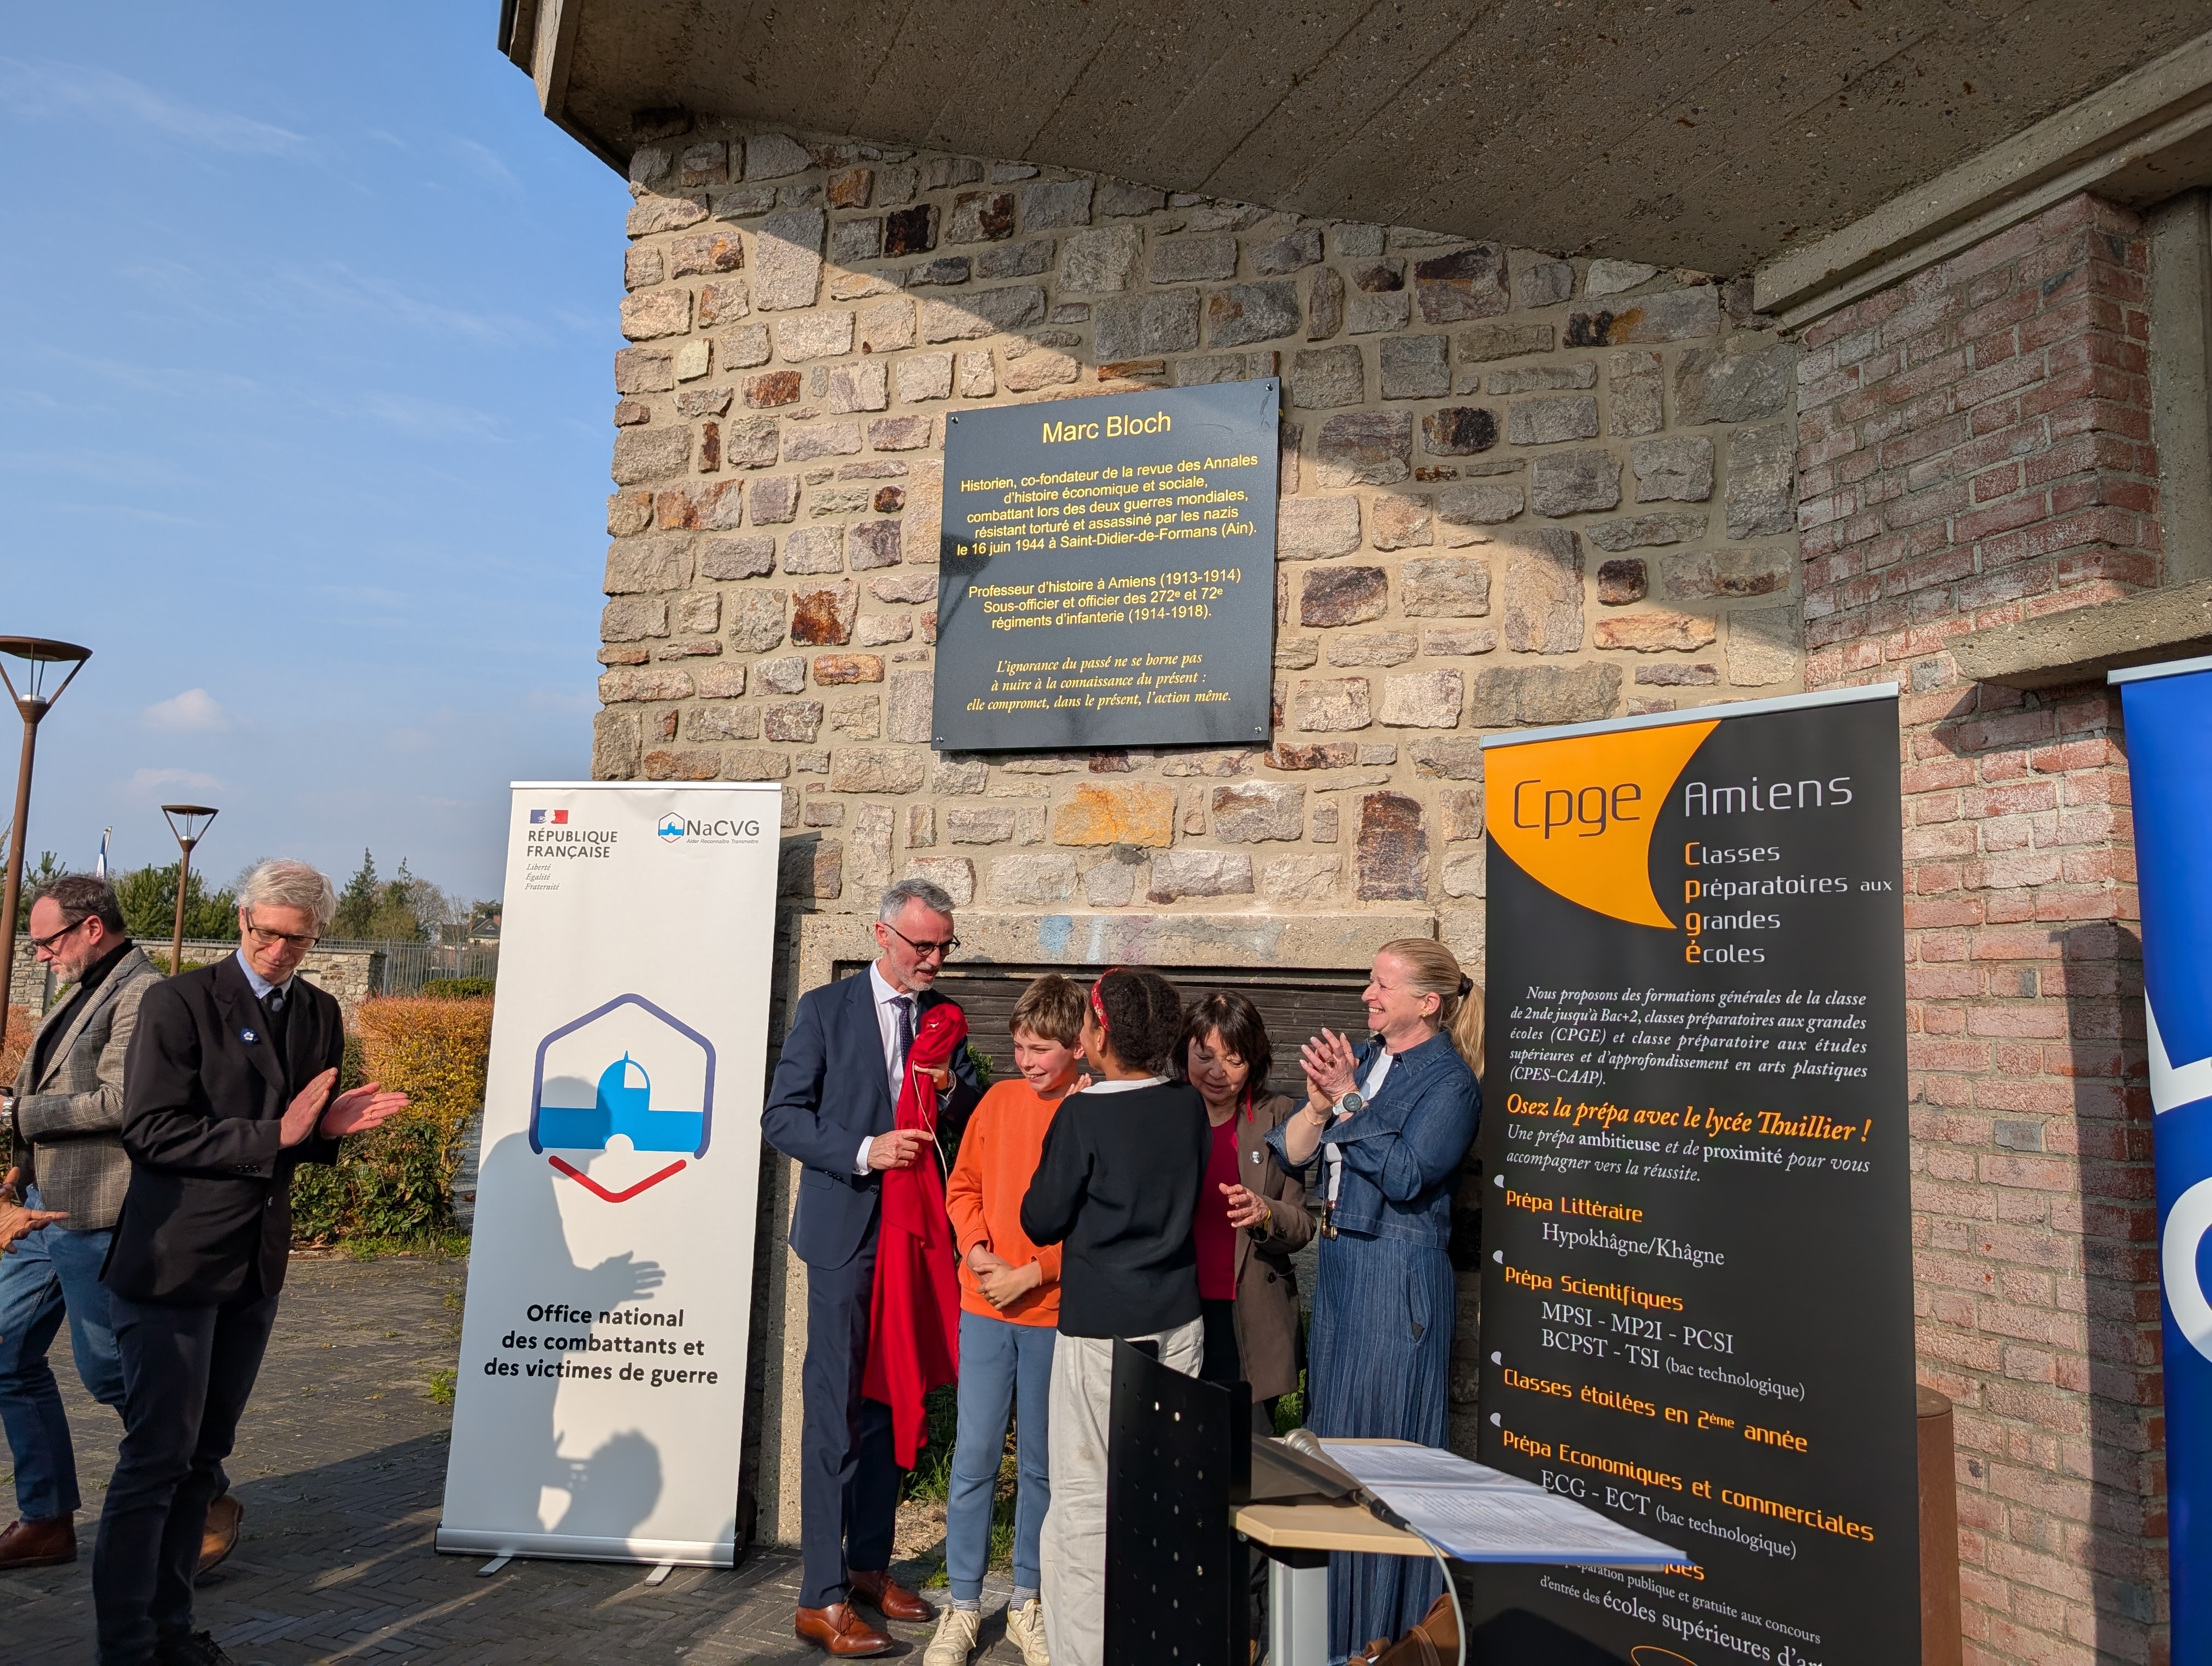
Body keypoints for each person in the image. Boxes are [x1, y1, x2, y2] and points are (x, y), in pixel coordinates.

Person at [92, 860, 409, 1666]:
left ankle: (172, 1631)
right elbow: (150, 1132)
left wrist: (324, 1134)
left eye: (296, 940)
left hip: (254, 1268)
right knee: (156, 1460)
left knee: (204, 1461)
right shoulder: (179, 1002)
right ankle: (126, 1645)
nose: (277, 951)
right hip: (172, 1263)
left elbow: (295, 1146)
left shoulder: (319, 1013)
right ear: (242, 920)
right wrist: (278, 1134)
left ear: (315, 938)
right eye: (266, 933)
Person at [762, 877, 983, 1658]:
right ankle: (819, 1597)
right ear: (882, 935)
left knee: (891, 1398)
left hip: (914, 1238)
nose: (935, 960)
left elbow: (967, 1111)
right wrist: (866, 1151)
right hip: (847, 1235)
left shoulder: (944, 1018)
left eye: (945, 947)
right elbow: (782, 1118)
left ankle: (867, 1566)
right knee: (835, 1409)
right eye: (924, 945)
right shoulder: (826, 1010)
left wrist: (952, 1089)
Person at [1266, 939, 1482, 1662]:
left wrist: (1349, 1099)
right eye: (1370, 982)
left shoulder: (1451, 1084)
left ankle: (1387, 1640)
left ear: (1428, 1002)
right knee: (1335, 1453)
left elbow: (1408, 1174)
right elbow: (1294, 1151)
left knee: (1388, 1462)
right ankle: (1333, 1634)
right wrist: (1320, 1103)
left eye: (1383, 985)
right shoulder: (1362, 1058)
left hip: (1396, 1278)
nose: (1367, 995)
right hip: (1341, 1272)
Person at [1020, 966, 1208, 1666]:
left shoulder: (1083, 1115)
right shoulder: (1187, 1106)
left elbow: (1041, 1218)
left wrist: (1068, 1123)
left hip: (1101, 1327)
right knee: (1162, 1498)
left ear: (1100, 1034)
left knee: (1084, 1506)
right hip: (1178, 1321)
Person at [927, 973, 1087, 1666]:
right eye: (1019, 1046)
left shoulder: (1091, 1112)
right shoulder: (996, 1101)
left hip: (1053, 1313)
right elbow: (962, 1187)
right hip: (985, 1305)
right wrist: (976, 1249)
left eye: (1040, 1049)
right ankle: (963, 1605)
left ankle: (1028, 1599)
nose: (1026, 1061)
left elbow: (1098, 1223)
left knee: (1044, 1468)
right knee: (974, 1459)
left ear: (1078, 1046)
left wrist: (1036, 1272)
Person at [0, 876, 160, 1573]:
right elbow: (51, 1086)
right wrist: (20, 1169)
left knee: (113, 1374)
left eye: (46, 941)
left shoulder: (142, 993)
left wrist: (18, 1115)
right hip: (42, 1208)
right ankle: (47, 1520)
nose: (40, 955)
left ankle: (198, 1488)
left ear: (92, 927)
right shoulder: (84, 987)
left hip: (98, 1212)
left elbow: (124, 1101)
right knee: (4, 1354)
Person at [1182, 990, 1315, 1420]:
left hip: (1249, 1317)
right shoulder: (1163, 1112)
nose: (1216, 1072)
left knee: (1248, 1449)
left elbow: (1302, 1224)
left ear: (1254, 1061)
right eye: (1204, 1057)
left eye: (1234, 1060)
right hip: (1177, 1312)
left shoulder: (1280, 1115)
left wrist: (1265, 1213)